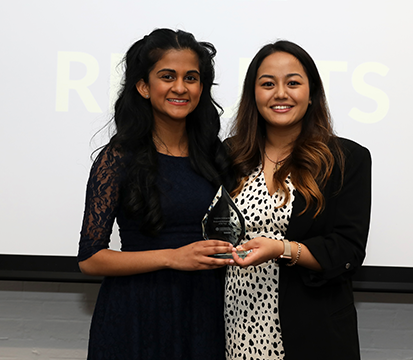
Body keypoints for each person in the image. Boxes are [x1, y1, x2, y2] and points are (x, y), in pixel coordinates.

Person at [77, 28, 234, 360]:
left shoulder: (215, 156)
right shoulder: (118, 158)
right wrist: (172, 257)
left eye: (191, 77)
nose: (180, 87)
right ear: (144, 87)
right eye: (168, 76)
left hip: (204, 312)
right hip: (135, 314)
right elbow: (91, 259)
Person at [224, 40, 371, 360]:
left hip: (312, 332)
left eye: (293, 82)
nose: (280, 93)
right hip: (236, 328)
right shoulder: (230, 155)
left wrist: (282, 249)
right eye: (267, 84)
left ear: (312, 93)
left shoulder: (347, 159)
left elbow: (348, 249)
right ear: (253, 95)